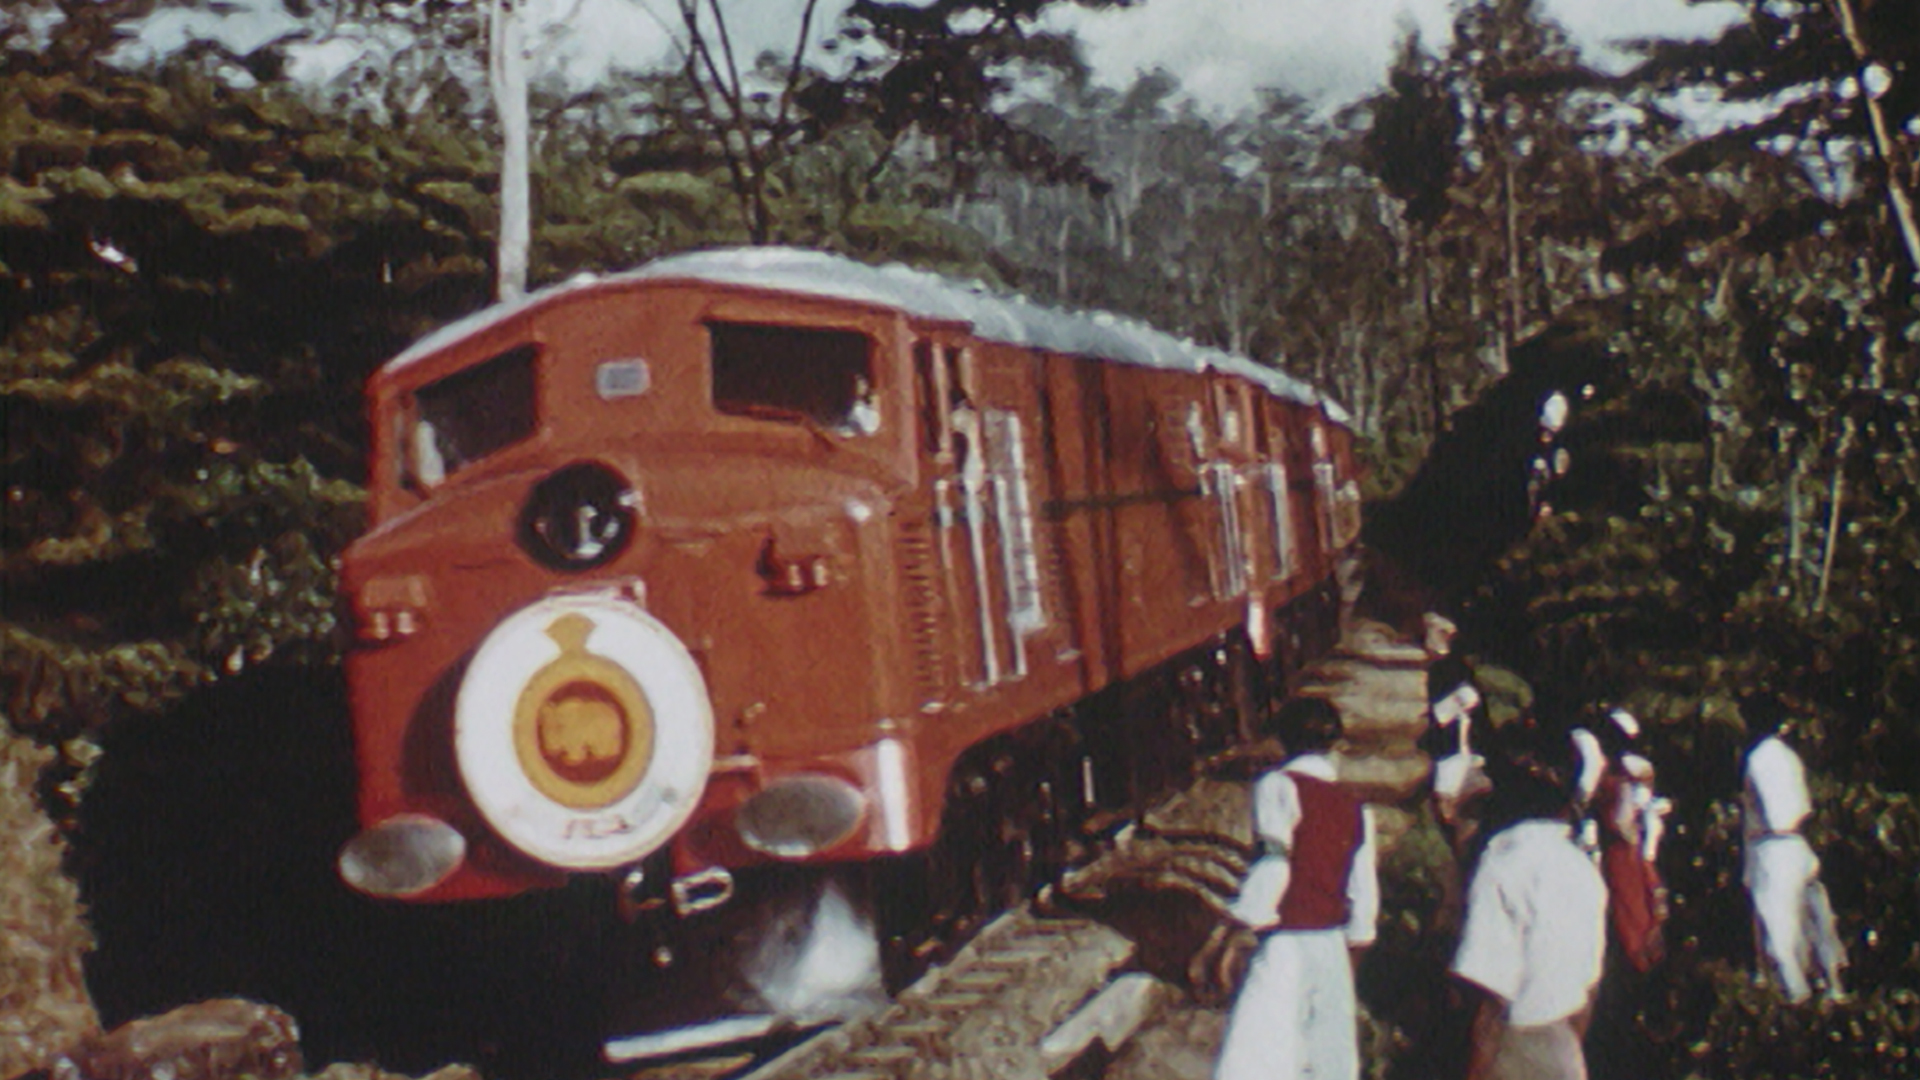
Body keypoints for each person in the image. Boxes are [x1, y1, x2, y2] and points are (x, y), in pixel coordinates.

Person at [1215, 697, 1379, 1080]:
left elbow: (1274, 864)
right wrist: (1351, 951)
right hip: (1332, 945)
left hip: (1286, 942)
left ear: (1282, 741)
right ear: (1335, 743)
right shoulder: (1356, 808)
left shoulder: (1277, 786)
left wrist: (1236, 930)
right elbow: (1364, 895)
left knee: (1259, 1060)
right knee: (1327, 1062)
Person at [1451, 724, 1607, 1080]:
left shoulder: (1504, 864)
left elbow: (1489, 1000)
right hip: (1564, 1051)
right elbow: (1588, 993)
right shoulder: (1582, 869)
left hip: (1513, 1052)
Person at [1740, 694, 1847, 1003]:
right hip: (1799, 843)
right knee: (1818, 924)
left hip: (1772, 846)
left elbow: (1771, 812)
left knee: (1779, 937)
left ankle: (1797, 1001)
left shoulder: (1757, 758)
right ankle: (1834, 989)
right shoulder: (1790, 757)